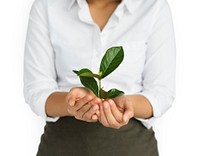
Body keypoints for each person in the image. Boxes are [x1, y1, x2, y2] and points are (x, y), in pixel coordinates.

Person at [23, 0, 176, 155]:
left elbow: (161, 93)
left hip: (132, 147)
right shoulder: (47, 6)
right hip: (62, 147)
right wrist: (71, 103)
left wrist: (128, 105)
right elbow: (37, 90)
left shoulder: (153, 7)